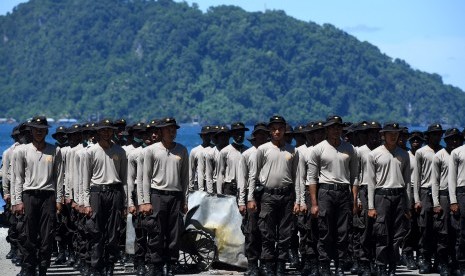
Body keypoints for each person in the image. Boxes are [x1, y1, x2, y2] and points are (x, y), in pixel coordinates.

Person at [308, 115, 359, 276]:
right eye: (332, 127)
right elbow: (312, 178)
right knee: (325, 230)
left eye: (338, 127)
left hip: (344, 192)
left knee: (343, 232)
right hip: (325, 192)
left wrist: (355, 199)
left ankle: (339, 264)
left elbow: (355, 177)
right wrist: (314, 203)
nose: (336, 130)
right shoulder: (318, 149)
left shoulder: (350, 148)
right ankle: (324, 264)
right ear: (327, 129)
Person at [249, 115, 299, 276]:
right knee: (266, 232)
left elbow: (297, 177)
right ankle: (267, 263)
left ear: (285, 130)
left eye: (280, 128)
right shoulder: (263, 149)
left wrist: (299, 200)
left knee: (286, 233)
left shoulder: (293, 150)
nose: (277, 131)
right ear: (270, 131)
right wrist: (250, 198)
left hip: (286, 196)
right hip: (268, 196)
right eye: (274, 129)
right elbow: (253, 175)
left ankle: (281, 264)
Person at [14, 116, 64, 276]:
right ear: (31, 131)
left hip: (48, 197)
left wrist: (59, 199)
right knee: (28, 234)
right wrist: (17, 200)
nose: (39, 132)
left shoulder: (54, 150)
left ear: (47, 131)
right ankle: (29, 266)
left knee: (47, 235)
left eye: (42, 130)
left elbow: (59, 177)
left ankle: (43, 266)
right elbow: (17, 177)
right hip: (29, 196)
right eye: (36, 129)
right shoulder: (22, 151)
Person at [139, 117, 188, 276]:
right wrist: (145, 201)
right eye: (168, 129)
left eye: (173, 129)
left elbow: (185, 178)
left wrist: (185, 200)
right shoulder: (151, 150)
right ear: (160, 131)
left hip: (175, 196)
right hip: (157, 195)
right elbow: (144, 178)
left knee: (174, 233)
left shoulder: (181, 150)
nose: (171, 132)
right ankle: (156, 265)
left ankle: (171, 263)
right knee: (156, 232)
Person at [82, 118, 128, 276]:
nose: (106, 133)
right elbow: (85, 179)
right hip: (97, 193)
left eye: (109, 130)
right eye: (103, 130)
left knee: (113, 232)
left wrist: (125, 202)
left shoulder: (120, 151)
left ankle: (110, 265)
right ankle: (96, 266)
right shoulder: (90, 151)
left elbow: (124, 179)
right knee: (96, 231)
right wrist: (85, 203)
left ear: (112, 132)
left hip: (115, 192)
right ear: (98, 132)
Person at [366, 122, 411, 276]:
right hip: (381, 196)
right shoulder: (374, 154)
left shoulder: (404, 154)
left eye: (396, 133)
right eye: (390, 133)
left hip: (398, 195)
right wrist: (371, 206)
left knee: (397, 234)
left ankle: (392, 265)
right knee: (381, 233)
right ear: (383, 135)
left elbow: (407, 183)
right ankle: (380, 265)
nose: (393, 136)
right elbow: (370, 182)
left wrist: (408, 205)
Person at [431, 128, 463, 275]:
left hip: (458, 194)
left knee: (457, 232)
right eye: (451, 139)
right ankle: (442, 262)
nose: (454, 142)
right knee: (443, 232)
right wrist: (436, 202)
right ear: (446, 140)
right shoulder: (440, 156)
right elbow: (435, 181)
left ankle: (455, 262)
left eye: (457, 139)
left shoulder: (460, 154)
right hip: (444, 195)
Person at [414, 123, 444, 274]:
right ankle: (424, 257)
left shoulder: (444, 151)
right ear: (428, 136)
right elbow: (417, 177)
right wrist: (416, 199)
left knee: (439, 227)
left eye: (439, 134)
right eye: (434, 134)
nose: (437, 137)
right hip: (425, 191)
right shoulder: (421, 152)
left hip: (440, 190)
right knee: (425, 226)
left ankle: (439, 259)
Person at [352, 121, 382, 276]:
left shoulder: (383, 150)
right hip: (364, 190)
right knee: (364, 228)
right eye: (370, 132)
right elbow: (356, 175)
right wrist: (356, 199)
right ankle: (363, 260)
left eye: (376, 132)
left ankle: (377, 260)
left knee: (380, 229)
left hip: (380, 191)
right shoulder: (360, 151)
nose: (373, 135)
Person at [240, 122, 269, 276]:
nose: (261, 137)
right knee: (251, 230)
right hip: (251, 195)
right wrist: (242, 201)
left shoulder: (270, 151)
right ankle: (252, 263)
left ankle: (265, 262)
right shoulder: (247, 154)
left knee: (267, 231)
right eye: (259, 134)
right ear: (255, 136)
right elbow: (242, 180)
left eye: (264, 134)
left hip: (267, 195)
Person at [401, 130, 425, 269]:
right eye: (413, 140)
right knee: (408, 225)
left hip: (422, 190)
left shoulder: (423, 155)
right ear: (410, 142)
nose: (416, 142)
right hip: (408, 191)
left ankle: (420, 254)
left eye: (418, 140)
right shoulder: (406, 155)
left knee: (421, 225)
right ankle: (407, 253)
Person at [448, 129, 465, 276]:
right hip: (462, 192)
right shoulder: (457, 152)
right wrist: (453, 200)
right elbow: (451, 178)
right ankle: (461, 264)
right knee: (462, 232)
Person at [217, 122, 249, 196]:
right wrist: (219, 193)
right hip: (230, 187)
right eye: (237, 134)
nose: (240, 136)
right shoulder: (225, 151)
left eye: (242, 133)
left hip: (244, 187)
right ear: (232, 135)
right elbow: (220, 173)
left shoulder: (248, 151)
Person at [189, 126, 213, 191]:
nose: (207, 137)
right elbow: (191, 170)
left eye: (208, 135)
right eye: (205, 135)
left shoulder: (214, 149)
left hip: (211, 181)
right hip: (198, 181)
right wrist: (190, 186)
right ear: (201, 136)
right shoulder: (194, 151)